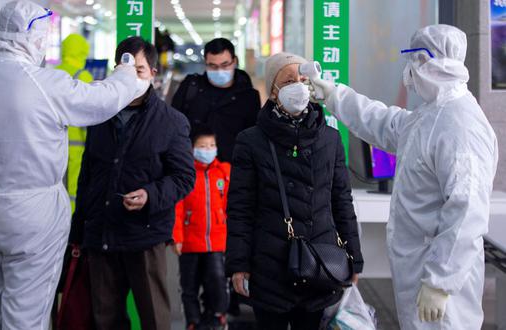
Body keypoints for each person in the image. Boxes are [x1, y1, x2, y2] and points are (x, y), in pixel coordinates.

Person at [0, 1, 143, 329]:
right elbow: (103, 99)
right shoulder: (46, 85)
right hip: (33, 216)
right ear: (36, 38)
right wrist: (128, 72)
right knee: (26, 315)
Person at [311, 24, 498, 329]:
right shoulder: (430, 116)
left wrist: (441, 282)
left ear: (426, 61)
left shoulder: (460, 125)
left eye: (413, 60)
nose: (409, 72)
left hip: (441, 278)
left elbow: (467, 213)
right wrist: (333, 94)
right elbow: (382, 122)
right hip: (421, 268)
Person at [225, 52, 364, 330]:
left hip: (319, 263)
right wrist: (238, 264)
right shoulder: (250, 141)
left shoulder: (330, 138)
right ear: (273, 91)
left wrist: (353, 258)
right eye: (288, 80)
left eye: (302, 79)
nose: (298, 86)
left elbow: (341, 201)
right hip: (268, 265)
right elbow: (240, 208)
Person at [69, 36, 195, 330]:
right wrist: (79, 233)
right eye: (124, 69)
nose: (131, 77)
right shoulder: (100, 115)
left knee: (154, 317)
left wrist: (150, 195)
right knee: (105, 318)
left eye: (139, 70)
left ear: (153, 73)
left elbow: (183, 178)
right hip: (101, 236)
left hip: (145, 237)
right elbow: (88, 175)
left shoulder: (171, 121)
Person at [172, 125, 230, 330]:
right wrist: (177, 237)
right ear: (192, 148)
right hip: (190, 242)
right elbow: (177, 208)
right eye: (203, 146)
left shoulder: (223, 172)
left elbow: (229, 206)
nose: (208, 149)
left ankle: (217, 315)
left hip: (216, 241)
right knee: (189, 286)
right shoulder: (186, 174)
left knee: (217, 280)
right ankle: (193, 321)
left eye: (212, 145)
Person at [171, 38, 261, 163]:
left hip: (232, 170)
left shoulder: (248, 96)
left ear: (234, 61)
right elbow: (174, 127)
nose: (219, 70)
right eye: (213, 66)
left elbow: (253, 139)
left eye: (225, 65)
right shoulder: (191, 88)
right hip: (193, 169)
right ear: (205, 64)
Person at [55, 33, 94, 212]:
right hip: (77, 147)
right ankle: (71, 226)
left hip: (52, 144)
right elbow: (90, 116)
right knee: (74, 188)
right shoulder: (83, 76)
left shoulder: (51, 74)